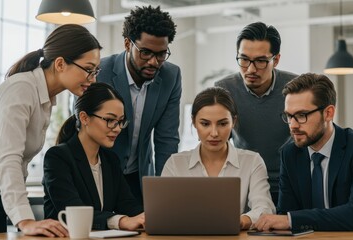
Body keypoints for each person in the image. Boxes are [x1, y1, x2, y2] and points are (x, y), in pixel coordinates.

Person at [0, 24, 102, 236]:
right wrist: (26, 220)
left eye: (96, 71)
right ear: (61, 64)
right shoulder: (22, 89)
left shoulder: (46, 98)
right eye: (89, 69)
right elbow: (8, 158)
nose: (93, 79)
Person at [254, 73, 353, 231]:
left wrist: (291, 220)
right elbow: (286, 213)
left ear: (328, 113)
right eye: (289, 116)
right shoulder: (289, 154)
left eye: (302, 115)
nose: (293, 125)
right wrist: (289, 219)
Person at [97, 5, 181, 205]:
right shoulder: (100, 72)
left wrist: (165, 192)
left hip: (139, 178)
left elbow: (167, 140)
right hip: (100, 174)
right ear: (128, 44)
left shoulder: (171, 76)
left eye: (161, 54)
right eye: (145, 52)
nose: (153, 62)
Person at [161, 87, 275, 230]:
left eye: (222, 124)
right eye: (205, 124)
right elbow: (164, 212)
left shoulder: (252, 162)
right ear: (194, 122)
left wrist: (240, 221)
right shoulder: (175, 164)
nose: (214, 133)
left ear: (233, 122)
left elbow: (264, 208)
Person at [215, 22, 297, 205]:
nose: (251, 69)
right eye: (244, 59)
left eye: (260, 61)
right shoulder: (224, 89)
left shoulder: (296, 87)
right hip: (244, 182)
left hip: (288, 183)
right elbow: (217, 143)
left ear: (276, 60)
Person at [43, 83, 144, 231]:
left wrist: (148, 217)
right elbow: (74, 211)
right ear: (84, 118)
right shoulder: (58, 157)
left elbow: (127, 204)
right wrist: (121, 221)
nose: (117, 128)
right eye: (110, 120)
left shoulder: (110, 160)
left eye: (120, 121)